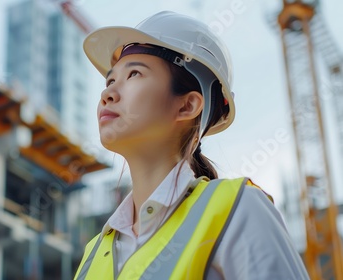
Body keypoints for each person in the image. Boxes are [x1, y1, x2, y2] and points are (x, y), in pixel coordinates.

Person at [74, 11, 309, 280]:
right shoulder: (93, 253)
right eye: (110, 80)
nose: (107, 94)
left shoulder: (237, 209)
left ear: (187, 105)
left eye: (135, 74)